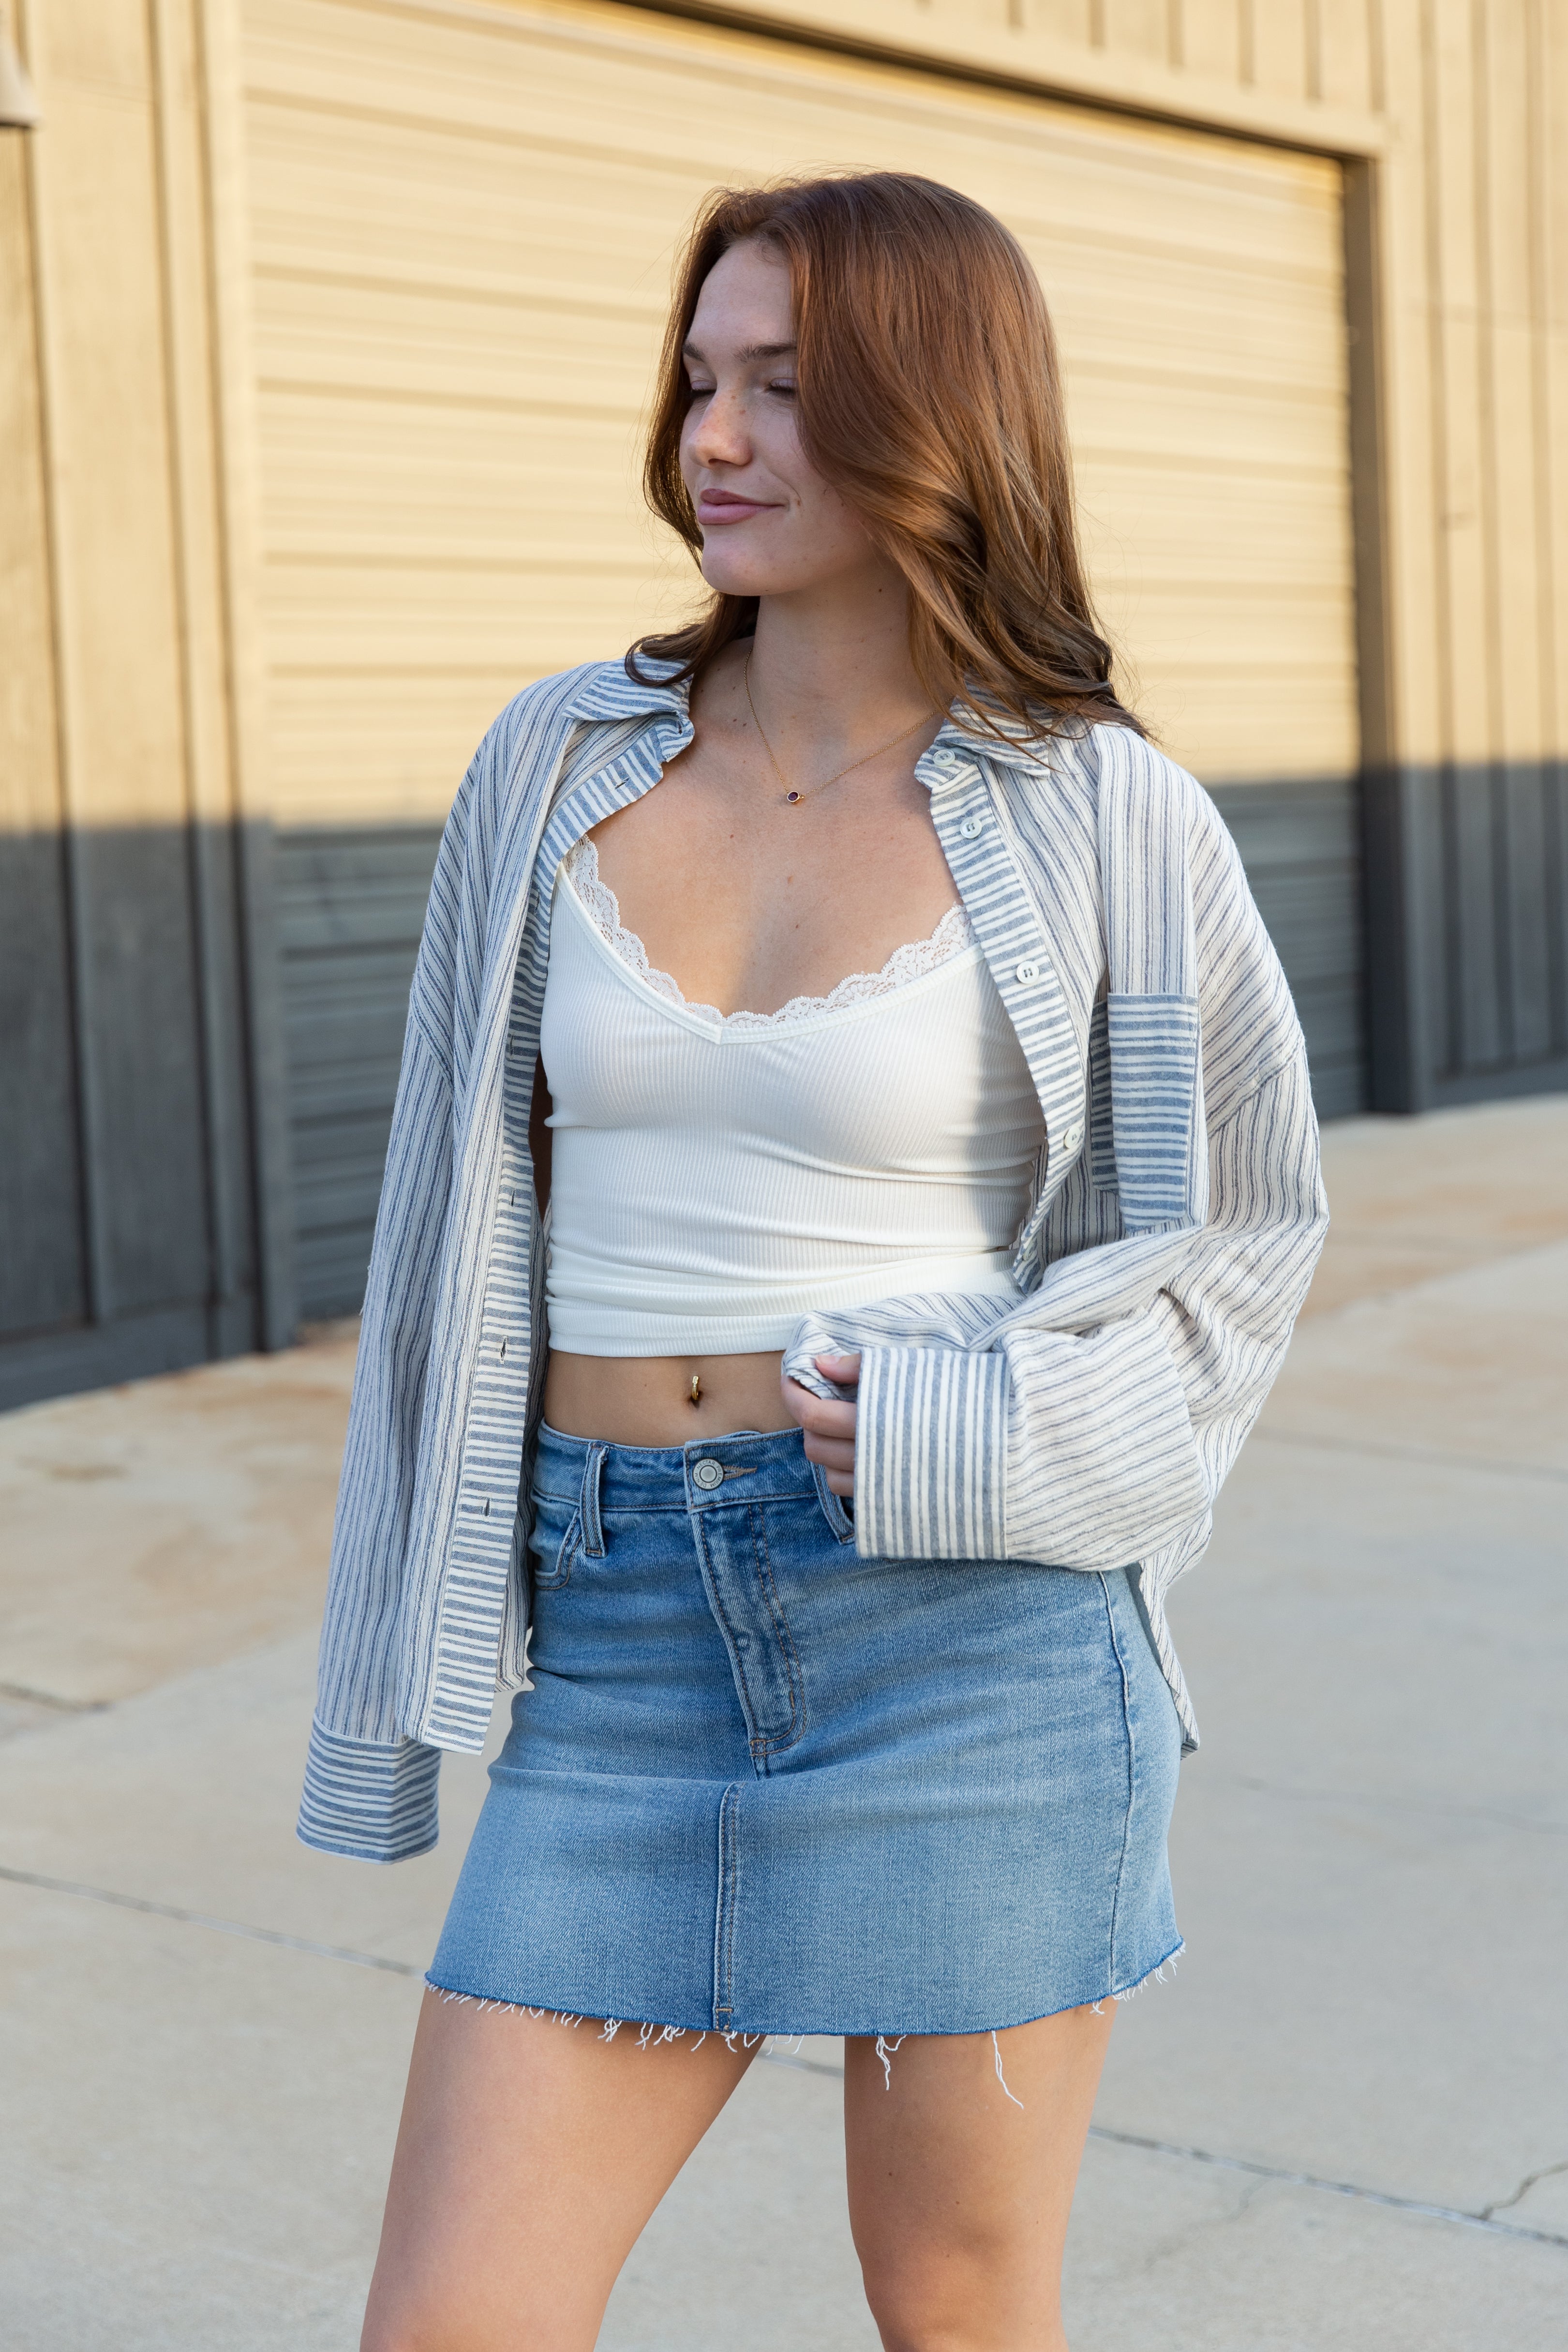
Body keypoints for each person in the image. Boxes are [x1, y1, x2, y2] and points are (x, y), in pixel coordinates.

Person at [299, 172, 1327, 2352]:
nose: (713, 438)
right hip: (618, 1633)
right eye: (699, 380)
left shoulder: (1100, 808)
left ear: (933, 413)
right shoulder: (555, 762)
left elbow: (1240, 1247)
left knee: (954, 2313)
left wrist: (986, 1429)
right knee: (452, 2322)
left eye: (782, 386)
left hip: (961, 1644)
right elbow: (441, 1223)